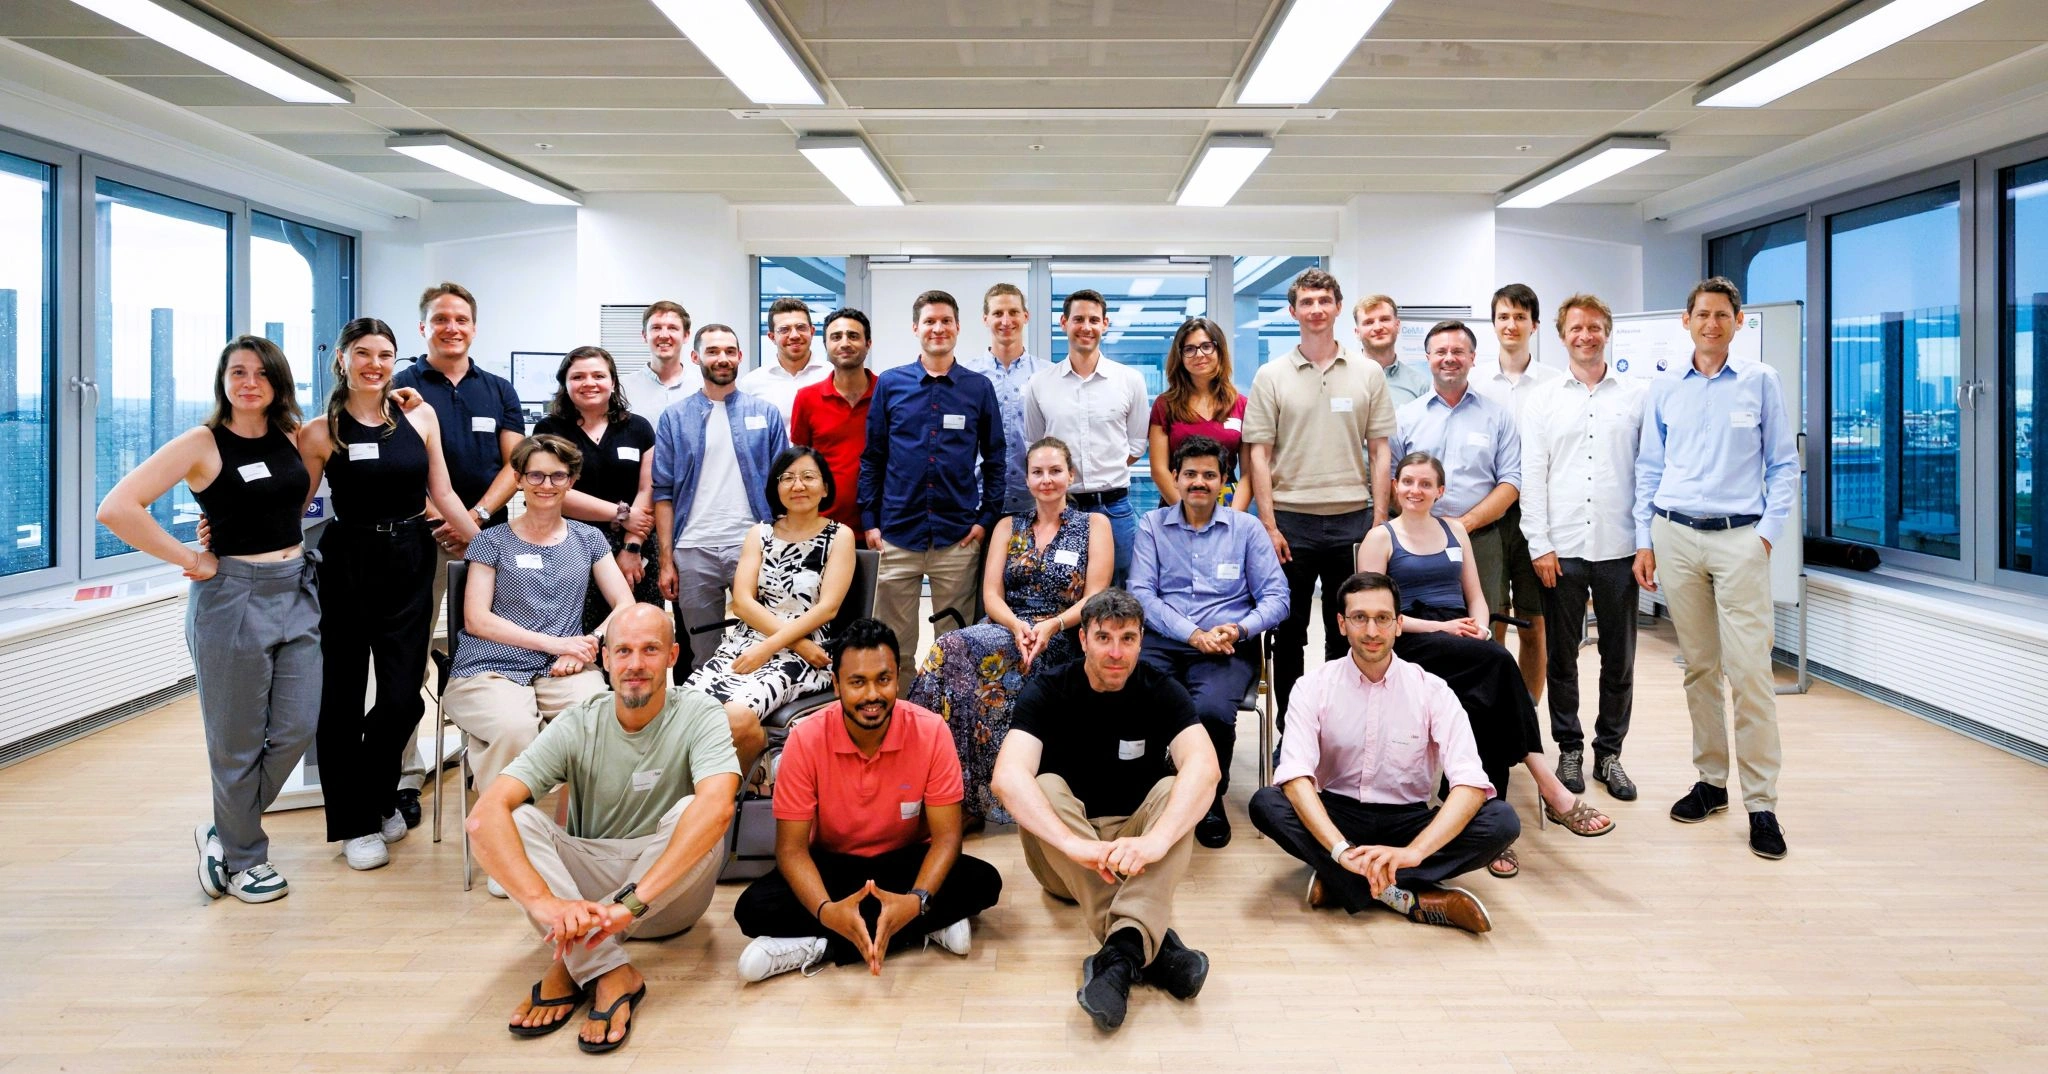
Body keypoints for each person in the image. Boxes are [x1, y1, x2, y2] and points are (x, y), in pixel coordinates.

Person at [96, 335, 322, 904]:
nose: (250, 382)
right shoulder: (202, 442)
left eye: (262, 373)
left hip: (296, 589)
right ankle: (246, 859)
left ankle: (224, 828)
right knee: (236, 741)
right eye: (238, 371)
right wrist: (191, 558)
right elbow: (117, 507)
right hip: (232, 600)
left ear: (278, 381)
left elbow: (290, 498)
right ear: (223, 380)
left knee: (297, 727)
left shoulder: (291, 434)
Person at [467, 605, 740, 1055]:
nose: (636, 664)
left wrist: (627, 907)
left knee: (698, 809)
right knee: (512, 817)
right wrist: (546, 905)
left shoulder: (700, 712)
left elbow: (718, 807)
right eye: (624, 651)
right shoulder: (578, 721)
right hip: (586, 892)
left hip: (667, 901)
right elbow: (484, 816)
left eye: (650, 650)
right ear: (606, 659)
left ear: (672, 656)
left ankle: (573, 961)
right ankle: (609, 969)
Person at [1358, 453, 1613, 881]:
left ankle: (1489, 823)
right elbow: (1374, 615)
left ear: (1440, 491)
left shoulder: (1455, 530)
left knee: (1483, 701)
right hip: (1411, 639)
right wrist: (1443, 627)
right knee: (1497, 664)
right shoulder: (1379, 538)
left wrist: (1479, 627)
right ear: (1395, 487)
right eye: (1408, 482)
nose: (1415, 490)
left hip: (1463, 640)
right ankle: (1545, 783)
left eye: (1425, 484)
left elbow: (1475, 595)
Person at [992, 589, 1219, 1032]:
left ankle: (1120, 957)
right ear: (1083, 640)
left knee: (1177, 788)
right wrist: (1074, 845)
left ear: (1141, 641)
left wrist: (1156, 841)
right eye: (1103, 638)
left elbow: (1205, 768)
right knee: (1044, 785)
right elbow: (1007, 777)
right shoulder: (1049, 688)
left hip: (1135, 854)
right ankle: (1156, 948)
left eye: (1127, 639)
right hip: (1064, 859)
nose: (1116, 652)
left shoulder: (1160, 688)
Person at [297, 318, 479, 872]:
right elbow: (293, 505)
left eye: (384, 354)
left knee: (404, 697)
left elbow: (442, 492)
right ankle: (354, 823)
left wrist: (489, 547)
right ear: (342, 359)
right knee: (342, 699)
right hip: (347, 562)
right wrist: (226, 534)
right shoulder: (320, 431)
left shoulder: (418, 415)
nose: (374, 364)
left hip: (410, 557)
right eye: (362, 353)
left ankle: (377, 796)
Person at [731, 618, 1004, 981]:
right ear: (837, 685)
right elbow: (792, 851)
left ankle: (820, 944)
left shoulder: (930, 731)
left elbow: (947, 839)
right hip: (833, 866)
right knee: (752, 908)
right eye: (857, 682)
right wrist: (827, 910)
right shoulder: (806, 739)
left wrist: (916, 899)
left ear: (897, 679)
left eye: (883, 679)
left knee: (984, 881)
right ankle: (921, 927)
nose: (872, 695)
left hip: (905, 862)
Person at [1248, 572, 1518, 933]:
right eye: (1359, 618)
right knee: (1267, 803)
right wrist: (1341, 849)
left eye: (1383, 618)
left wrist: (1414, 852)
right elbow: (1296, 776)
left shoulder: (1432, 690)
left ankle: (1344, 881)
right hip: (1338, 816)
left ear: (1399, 624)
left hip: (1409, 821)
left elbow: (1469, 783)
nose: (1372, 631)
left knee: (1502, 820)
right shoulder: (1312, 687)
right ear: (1341, 624)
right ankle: (1405, 895)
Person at [1634, 277, 1798, 860]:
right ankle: (1711, 782)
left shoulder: (1761, 381)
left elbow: (1784, 465)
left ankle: (1762, 804)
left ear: (1738, 321)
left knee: (1750, 673)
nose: (1711, 323)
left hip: (1739, 539)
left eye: (1722, 315)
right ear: (1687, 321)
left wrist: (1766, 536)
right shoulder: (1664, 386)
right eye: (1702, 314)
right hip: (1675, 535)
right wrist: (1645, 540)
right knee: (1699, 667)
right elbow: (1649, 467)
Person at [445, 435, 638, 864]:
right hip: (489, 666)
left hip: (563, 669)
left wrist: (587, 645)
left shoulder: (588, 539)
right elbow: (477, 619)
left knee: (599, 721)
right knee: (515, 729)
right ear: (518, 479)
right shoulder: (492, 541)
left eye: (557, 476)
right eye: (535, 475)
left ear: (571, 481)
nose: (546, 485)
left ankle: (577, 839)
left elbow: (625, 604)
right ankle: (505, 850)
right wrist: (556, 643)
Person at [906, 437, 1112, 824]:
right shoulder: (1007, 525)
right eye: (1038, 472)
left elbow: (1095, 596)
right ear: (1027, 479)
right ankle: (940, 787)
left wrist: (1051, 625)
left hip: (1063, 633)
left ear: (1071, 475)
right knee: (950, 650)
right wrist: (1017, 625)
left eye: (1055, 471)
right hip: (1007, 626)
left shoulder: (1093, 525)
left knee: (954, 650)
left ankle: (959, 795)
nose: (1046, 479)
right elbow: (991, 595)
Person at [389, 281, 526, 826]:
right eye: (441, 319)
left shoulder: (497, 389)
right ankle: (404, 774)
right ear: (424, 327)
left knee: (494, 650)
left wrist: (477, 520)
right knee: (409, 655)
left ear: (474, 326)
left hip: (489, 540)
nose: (452, 328)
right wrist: (442, 518)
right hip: (418, 539)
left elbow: (517, 464)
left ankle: (484, 757)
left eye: (461, 319)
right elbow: (394, 463)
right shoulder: (399, 386)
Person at [1243, 267, 1396, 726]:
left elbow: (1380, 451)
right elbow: (1258, 454)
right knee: (1288, 633)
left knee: (1345, 628)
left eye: (1324, 301)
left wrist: (1379, 521)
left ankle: (1337, 726)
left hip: (1353, 519)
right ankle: (1292, 729)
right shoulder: (1271, 375)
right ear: (1293, 311)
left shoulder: (1368, 372)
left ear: (1337, 307)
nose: (1316, 309)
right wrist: (1269, 525)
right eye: (1306, 302)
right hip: (1291, 522)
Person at [1128, 434, 1288, 849]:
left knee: (1211, 711)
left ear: (1223, 481)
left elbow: (1277, 597)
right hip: (1165, 640)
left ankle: (1207, 797)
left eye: (1209, 475)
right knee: (1139, 700)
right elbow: (1141, 594)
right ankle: (1152, 790)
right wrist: (1191, 634)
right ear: (1175, 478)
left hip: (1226, 645)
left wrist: (1239, 629)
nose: (1199, 482)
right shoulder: (1152, 526)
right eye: (1190, 474)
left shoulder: (1246, 529)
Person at [1520, 293, 1645, 801]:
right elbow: (1532, 475)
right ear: (1561, 335)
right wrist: (1539, 544)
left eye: (1594, 327)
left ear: (1607, 332)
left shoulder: (1636, 396)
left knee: (1620, 658)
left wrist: (1646, 543)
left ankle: (1609, 754)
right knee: (1562, 658)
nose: (1586, 335)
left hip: (1620, 547)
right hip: (1563, 548)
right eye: (1576, 327)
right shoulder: (1543, 399)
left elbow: (1648, 474)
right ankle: (1568, 748)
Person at [858, 289, 1006, 681]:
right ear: (915, 328)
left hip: (957, 537)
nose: (937, 328)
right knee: (892, 644)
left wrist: (985, 519)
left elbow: (996, 459)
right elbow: (873, 456)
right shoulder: (891, 384)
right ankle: (900, 712)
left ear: (957, 327)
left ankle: (946, 714)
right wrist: (870, 521)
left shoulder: (978, 388)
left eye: (945, 321)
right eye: (929, 321)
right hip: (896, 534)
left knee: (955, 646)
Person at [683, 446, 855, 769]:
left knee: (734, 718)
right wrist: (788, 642)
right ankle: (750, 771)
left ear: (825, 487)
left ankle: (745, 786)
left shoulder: (839, 536)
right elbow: (742, 601)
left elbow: (828, 609)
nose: (798, 485)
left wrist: (774, 647)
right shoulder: (759, 533)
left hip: (803, 659)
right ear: (776, 488)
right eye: (787, 478)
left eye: (808, 477)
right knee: (685, 710)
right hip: (750, 647)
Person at [651, 324, 790, 679]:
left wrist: (781, 546)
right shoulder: (674, 418)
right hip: (693, 550)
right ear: (695, 357)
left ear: (740, 357)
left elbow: (784, 488)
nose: (722, 358)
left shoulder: (766, 414)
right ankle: (711, 712)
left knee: (765, 645)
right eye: (712, 351)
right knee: (703, 654)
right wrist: (666, 560)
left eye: (729, 351)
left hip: (754, 547)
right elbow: (663, 493)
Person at [1389, 320, 1524, 658]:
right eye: (1441, 351)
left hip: (1480, 538)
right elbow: (1391, 477)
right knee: (1422, 631)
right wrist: (1425, 525)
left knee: (1483, 630)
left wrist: (1463, 525)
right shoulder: (1405, 417)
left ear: (1473, 358)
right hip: (1416, 543)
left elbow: (1511, 481)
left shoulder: (1497, 417)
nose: (1449, 358)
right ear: (1428, 358)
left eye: (1458, 351)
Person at [1473, 284, 1564, 702]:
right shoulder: (1475, 381)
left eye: (1520, 317)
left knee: (1534, 621)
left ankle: (1527, 714)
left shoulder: (1555, 383)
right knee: (1491, 620)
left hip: (1537, 516)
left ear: (1535, 325)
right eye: (1504, 317)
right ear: (1494, 324)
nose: (1511, 325)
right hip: (1488, 513)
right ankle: (1494, 711)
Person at [1023, 289, 1148, 583]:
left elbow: (1136, 446)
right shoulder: (1039, 384)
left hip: (1114, 508)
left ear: (1105, 324)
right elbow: (1035, 447)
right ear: (1063, 323)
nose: (1086, 327)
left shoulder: (1130, 380)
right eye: (1078, 319)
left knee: (1120, 591)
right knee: (1061, 589)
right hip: (1061, 508)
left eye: (1094, 320)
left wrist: (1106, 470)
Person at [533, 346, 660, 634]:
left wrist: (632, 546)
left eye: (598, 375)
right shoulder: (550, 429)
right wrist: (621, 513)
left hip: (634, 544)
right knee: (579, 632)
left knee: (637, 630)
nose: (589, 383)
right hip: (569, 546)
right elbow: (552, 492)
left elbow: (648, 489)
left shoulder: (638, 428)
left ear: (612, 382)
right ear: (565, 384)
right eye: (578, 376)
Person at [961, 282, 1048, 514]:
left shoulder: (1047, 375)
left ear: (1026, 316)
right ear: (985, 319)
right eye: (998, 313)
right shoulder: (965, 376)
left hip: (1034, 505)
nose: (1006, 321)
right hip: (976, 504)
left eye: (1013, 312)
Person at [1147, 316, 1250, 510]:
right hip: (1177, 504)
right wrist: (1187, 514)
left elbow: (1248, 473)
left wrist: (1233, 517)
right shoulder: (1165, 405)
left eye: (1206, 346)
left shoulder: (1241, 405)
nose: (1199, 354)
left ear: (1219, 350)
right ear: (1180, 356)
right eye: (1189, 349)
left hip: (1228, 504)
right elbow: (1159, 470)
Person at [788, 307, 874, 530]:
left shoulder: (887, 394)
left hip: (880, 525)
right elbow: (801, 463)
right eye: (836, 337)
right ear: (825, 345)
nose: (845, 343)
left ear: (868, 343)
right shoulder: (807, 398)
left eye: (853, 336)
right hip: (822, 524)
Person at [739, 297, 831, 427]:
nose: (794, 335)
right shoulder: (751, 384)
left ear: (812, 331)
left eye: (801, 327)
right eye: (784, 329)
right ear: (772, 337)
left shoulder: (832, 375)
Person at [620, 300, 702, 418]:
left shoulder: (702, 386)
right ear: (644, 335)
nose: (664, 335)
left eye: (672, 328)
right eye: (656, 328)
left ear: (686, 336)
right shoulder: (622, 389)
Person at [1352, 294, 1430, 405]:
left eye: (1384, 319)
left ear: (1397, 325)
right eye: (1369, 322)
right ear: (1357, 332)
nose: (1378, 327)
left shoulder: (1420, 385)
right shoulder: (1341, 379)